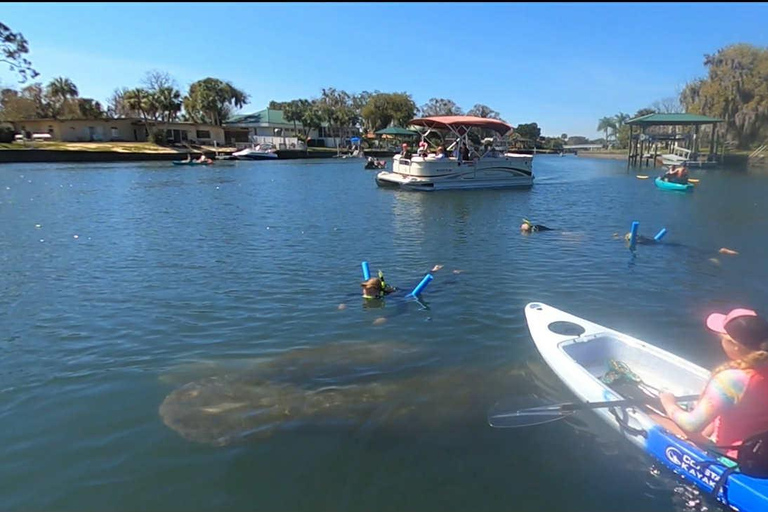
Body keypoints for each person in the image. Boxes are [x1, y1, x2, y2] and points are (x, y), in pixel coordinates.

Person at [659, 308, 768, 456]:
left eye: (722, 337)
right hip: (762, 452)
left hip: (733, 459)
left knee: (655, 417)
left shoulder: (731, 380)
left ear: (735, 345)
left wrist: (669, 404)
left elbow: (692, 425)